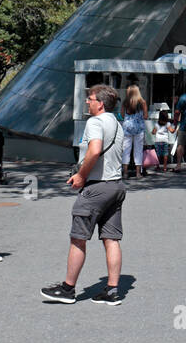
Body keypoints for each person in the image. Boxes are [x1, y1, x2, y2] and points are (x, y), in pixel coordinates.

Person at [41, 84, 126, 305]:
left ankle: (68, 289)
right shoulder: (117, 124)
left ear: (100, 103)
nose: (87, 102)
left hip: (96, 188)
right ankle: (113, 290)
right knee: (111, 238)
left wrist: (81, 175)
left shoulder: (95, 122)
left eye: (90, 99)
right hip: (115, 185)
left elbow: (95, 150)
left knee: (78, 237)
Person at [123, 83, 148, 179]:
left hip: (127, 128)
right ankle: (138, 173)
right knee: (138, 150)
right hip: (139, 128)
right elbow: (145, 116)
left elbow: (122, 114)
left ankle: (125, 173)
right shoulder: (143, 102)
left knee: (126, 150)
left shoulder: (125, 102)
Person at [151, 108, 174, 174]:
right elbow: (172, 131)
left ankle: (157, 166)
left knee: (158, 154)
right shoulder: (168, 124)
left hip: (158, 140)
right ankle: (164, 167)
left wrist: (152, 132)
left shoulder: (156, 124)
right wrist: (175, 129)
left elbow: (153, 132)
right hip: (165, 140)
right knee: (165, 154)